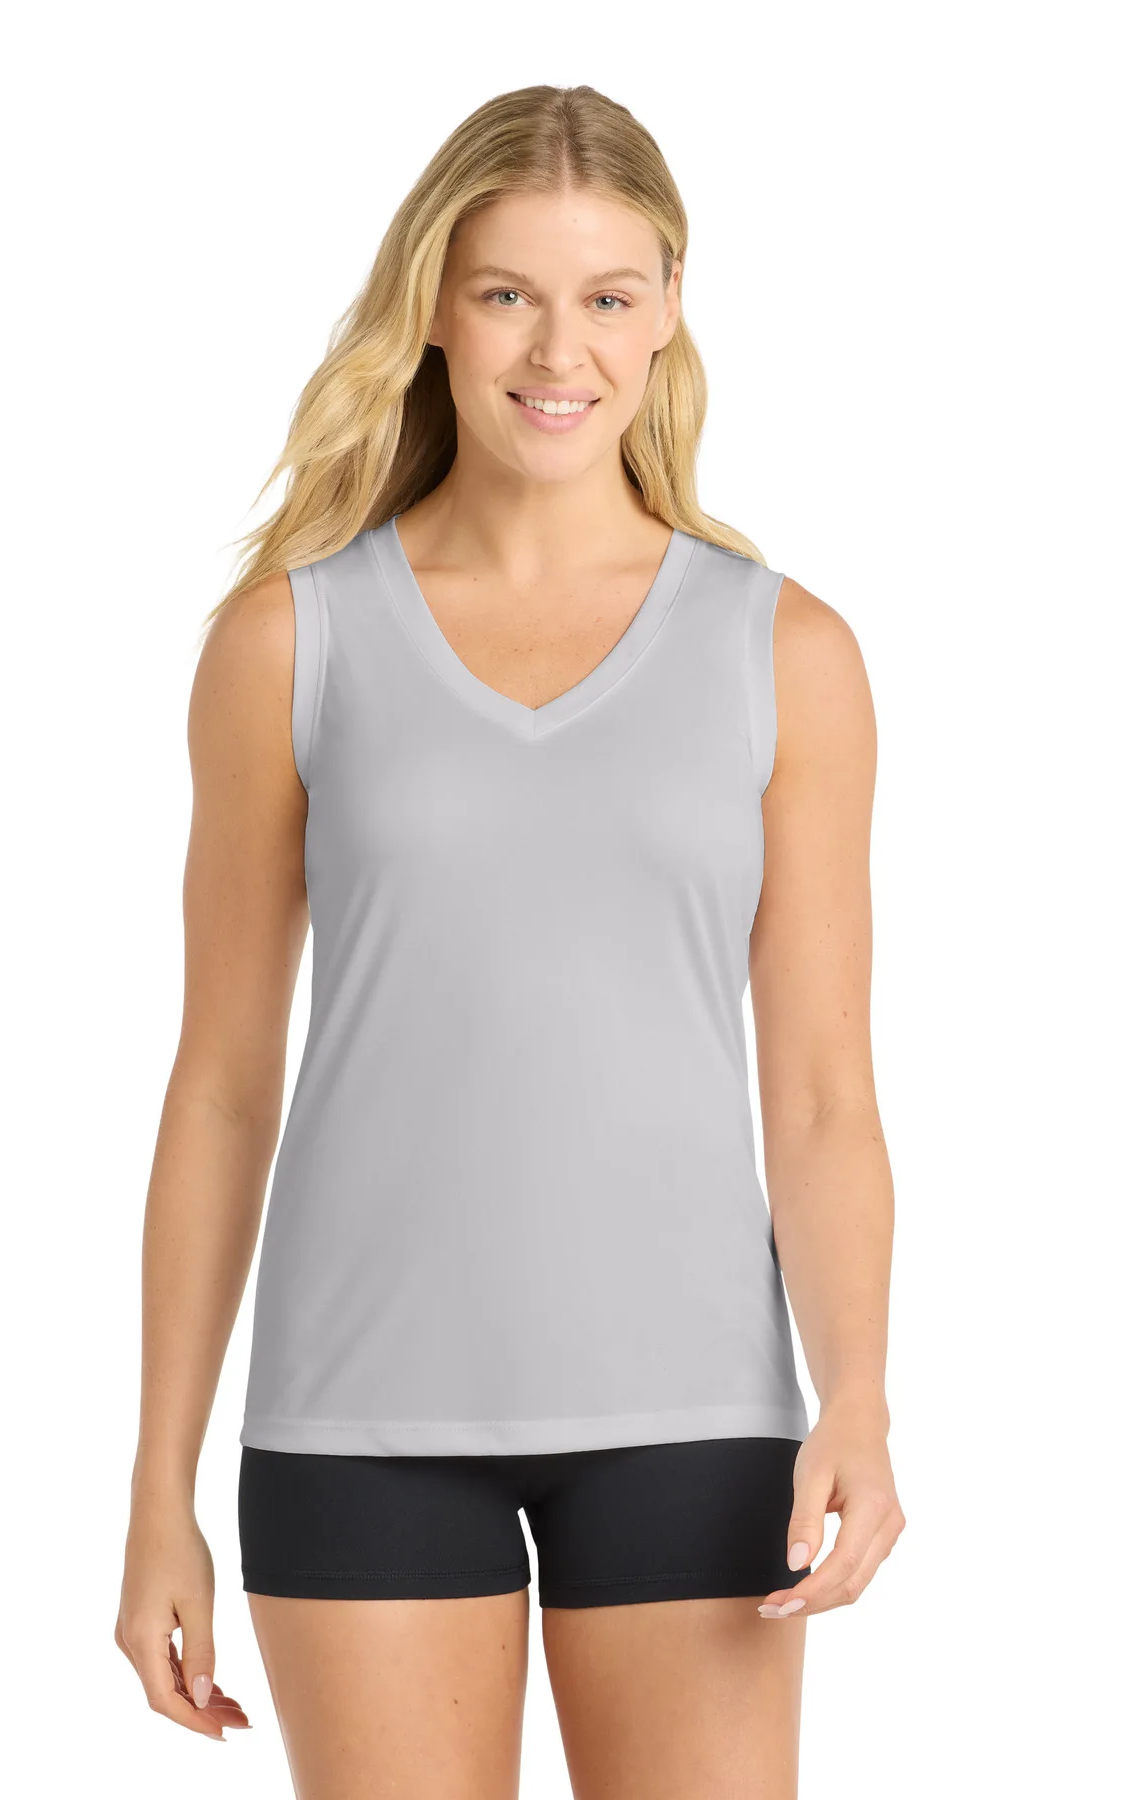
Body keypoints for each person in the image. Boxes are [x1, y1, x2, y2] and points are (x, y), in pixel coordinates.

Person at [114, 82, 904, 1798]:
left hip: (699, 1423)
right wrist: (157, 1484)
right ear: (434, 309)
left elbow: (824, 1093)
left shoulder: (787, 654)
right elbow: (222, 1087)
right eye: (506, 294)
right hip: (356, 1422)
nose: (561, 349)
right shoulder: (288, 645)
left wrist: (858, 1394)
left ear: (669, 306)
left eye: (607, 295)